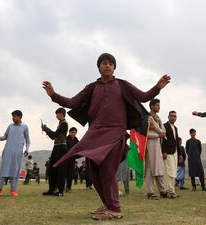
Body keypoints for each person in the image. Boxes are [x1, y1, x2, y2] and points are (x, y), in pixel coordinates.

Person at [42, 53, 170, 220]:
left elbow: (144, 97)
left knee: (108, 170)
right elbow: (73, 102)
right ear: (99, 67)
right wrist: (53, 95)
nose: (107, 65)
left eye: (110, 63)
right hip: (95, 132)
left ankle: (115, 209)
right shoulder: (92, 87)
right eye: (104, 63)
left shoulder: (122, 85)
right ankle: (108, 204)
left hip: (116, 132)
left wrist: (157, 87)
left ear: (114, 67)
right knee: (93, 170)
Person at [0, 110, 30, 197]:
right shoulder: (10, 126)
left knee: (15, 170)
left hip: (17, 153)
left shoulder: (25, 127)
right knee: (4, 170)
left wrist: (27, 149)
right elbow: (5, 136)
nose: (13, 118)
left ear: (20, 117)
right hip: (7, 152)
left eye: (14, 116)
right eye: (12, 116)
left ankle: (13, 190)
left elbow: (28, 140)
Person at [42, 108, 69, 197]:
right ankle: (52, 189)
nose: (56, 116)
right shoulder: (60, 123)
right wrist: (46, 130)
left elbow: (54, 135)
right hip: (56, 147)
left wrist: (46, 129)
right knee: (52, 169)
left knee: (60, 169)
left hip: (61, 148)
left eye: (57, 114)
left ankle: (61, 191)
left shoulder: (64, 124)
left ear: (62, 114)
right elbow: (53, 137)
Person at [145, 99, 167, 200]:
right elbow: (144, 133)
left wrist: (158, 131)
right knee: (150, 169)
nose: (159, 107)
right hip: (150, 146)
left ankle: (163, 191)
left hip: (158, 146)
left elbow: (163, 131)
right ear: (152, 106)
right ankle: (150, 193)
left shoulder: (158, 118)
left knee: (159, 168)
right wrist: (158, 134)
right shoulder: (147, 118)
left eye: (159, 105)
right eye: (157, 105)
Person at [162, 110, 180, 198]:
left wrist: (179, 154)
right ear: (168, 117)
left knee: (173, 172)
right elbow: (162, 140)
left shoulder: (175, 128)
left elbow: (177, 142)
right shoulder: (164, 126)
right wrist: (163, 151)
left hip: (175, 152)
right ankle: (169, 192)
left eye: (175, 116)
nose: (173, 117)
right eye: (172, 116)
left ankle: (171, 190)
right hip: (167, 152)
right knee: (168, 172)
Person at [65, 127, 80, 192]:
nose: (73, 133)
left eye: (74, 132)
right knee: (64, 173)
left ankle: (68, 188)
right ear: (69, 132)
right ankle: (62, 187)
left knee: (70, 174)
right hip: (65, 158)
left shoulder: (76, 140)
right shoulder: (66, 139)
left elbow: (79, 147)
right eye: (72, 132)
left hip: (72, 159)